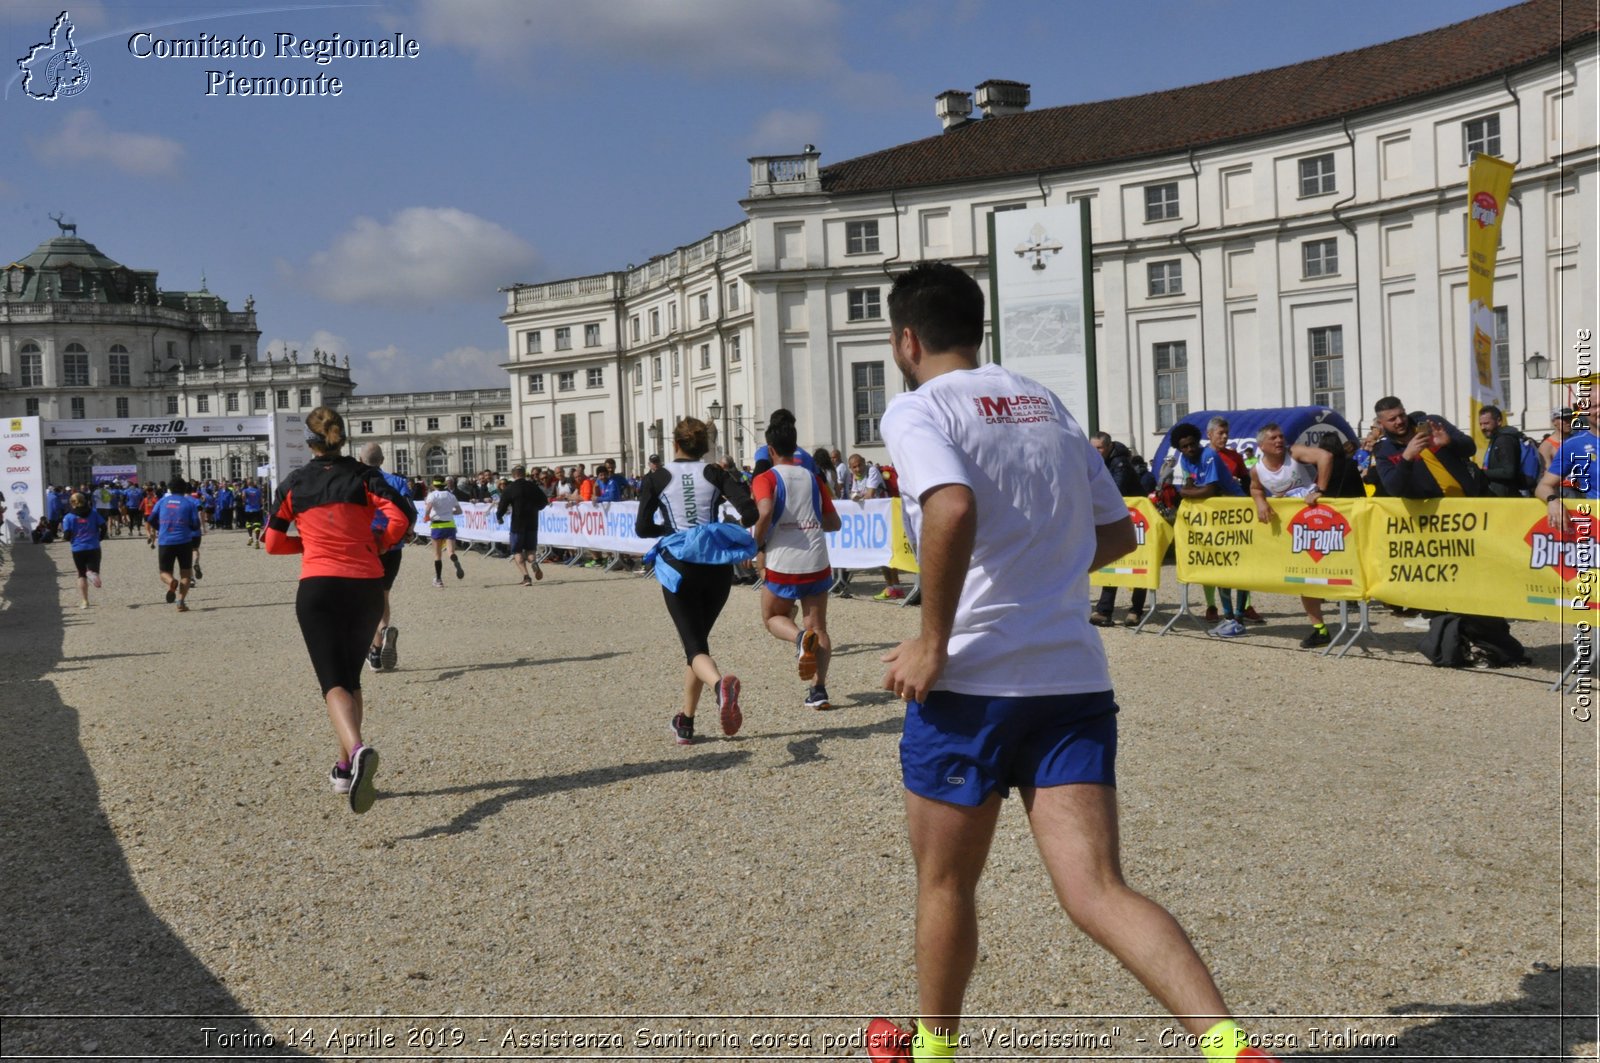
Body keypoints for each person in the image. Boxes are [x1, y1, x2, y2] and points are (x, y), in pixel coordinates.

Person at [868, 262, 1280, 1063]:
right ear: (977, 327)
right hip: (1072, 679)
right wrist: (1042, 573)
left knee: (946, 884)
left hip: (972, 689)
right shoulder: (1041, 401)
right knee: (1098, 890)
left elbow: (949, 505)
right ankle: (1232, 1048)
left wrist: (931, 639)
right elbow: (1121, 531)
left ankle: (933, 1054)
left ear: (906, 339)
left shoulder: (920, 407)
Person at [265, 407, 415, 813]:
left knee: (332, 681)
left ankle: (359, 748)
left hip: (319, 585)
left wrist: (309, 545)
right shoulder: (366, 477)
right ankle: (346, 766)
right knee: (351, 678)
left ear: (308, 442)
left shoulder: (295, 483)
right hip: (366, 582)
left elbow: (272, 542)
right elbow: (403, 516)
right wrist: (378, 542)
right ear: (342, 438)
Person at [635, 417, 758, 745]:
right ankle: (686, 722)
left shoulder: (656, 477)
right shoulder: (715, 472)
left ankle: (721, 688)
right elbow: (750, 510)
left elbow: (643, 528)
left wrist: (672, 530)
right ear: (704, 446)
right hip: (716, 565)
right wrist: (728, 525)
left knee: (694, 647)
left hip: (679, 565)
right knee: (698, 645)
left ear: (674, 443)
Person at [750, 412, 842, 711]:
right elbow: (833, 523)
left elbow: (764, 513)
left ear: (771, 450)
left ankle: (800, 639)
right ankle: (819, 691)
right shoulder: (813, 477)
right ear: (795, 446)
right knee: (819, 626)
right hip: (816, 557)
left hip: (783, 560)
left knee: (772, 618)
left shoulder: (766, 478)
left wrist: (756, 544)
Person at [1247, 423, 1335, 648]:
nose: (1279, 441)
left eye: (1281, 437)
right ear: (1261, 445)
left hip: (1320, 524)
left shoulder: (1293, 453)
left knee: (1335, 575)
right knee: (1305, 581)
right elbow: (1256, 488)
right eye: (1273, 438)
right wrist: (1260, 503)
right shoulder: (1257, 469)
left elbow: (1325, 457)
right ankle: (1320, 629)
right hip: (1295, 532)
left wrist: (1319, 490)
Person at [1170, 422, 1249, 637]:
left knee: (1239, 566)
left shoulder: (1208, 456)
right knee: (1220, 565)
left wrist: (1187, 493)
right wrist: (1189, 491)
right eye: (1184, 447)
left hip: (1235, 509)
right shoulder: (1185, 459)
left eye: (1191, 444)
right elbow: (1189, 484)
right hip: (1216, 514)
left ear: (1198, 441)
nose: (1189, 449)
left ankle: (1239, 617)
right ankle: (1228, 617)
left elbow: (1210, 489)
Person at [360, 443, 411, 671]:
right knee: (384, 595)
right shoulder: (398, 482)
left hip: (367, 544)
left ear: (360, 460)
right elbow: (410, 511)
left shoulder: (358, 482)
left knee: (367, 600)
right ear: (382, 461)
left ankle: (375, 650)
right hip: (393, 545)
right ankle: (383, 631)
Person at [1088, 432, 1148, 627]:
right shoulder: (1097, 462)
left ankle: (1135, 610)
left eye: (1099, 448)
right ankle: (1104, 610)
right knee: (1111, 563)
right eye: (1093, 448)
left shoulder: (1120, 463)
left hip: (1138, 518)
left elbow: (1114, 491)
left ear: (1109, 446)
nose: (1096, 452)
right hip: (1118, 518)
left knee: (1140, 564)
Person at [1368, 396, 1481, 498]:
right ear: (1381, 423)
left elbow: (1471, 449)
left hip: (1467, 503)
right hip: (1429, 515)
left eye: (1402, 415)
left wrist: (1450, 442)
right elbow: (1394, 490)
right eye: (1392, 419)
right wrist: (1406, 458)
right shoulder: (1383, 450)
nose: (1400, 421)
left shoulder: (1432, 423)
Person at [849, 452, 906, 600]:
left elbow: (869, 494)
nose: (857, 469)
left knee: (889, 551)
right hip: (874, 518)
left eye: (859, 465)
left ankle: (896, 586)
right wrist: (857, 496)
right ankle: (890, 587)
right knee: (882, 553)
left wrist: (857, 497)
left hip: (885, 516)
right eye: (854, 467)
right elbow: (853, 494)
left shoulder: (872, 471)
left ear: (863, 462)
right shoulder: (856, 477)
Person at [1534, 410, 1597, 535]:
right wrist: (1553, 499)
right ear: (1554, 422)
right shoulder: (1548, 445)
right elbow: (1545, 476)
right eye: (1564, 419)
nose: (1568, 422)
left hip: (1581, 490)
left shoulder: (1577, 440)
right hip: (1564, 491)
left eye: (1570, 419)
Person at [152, 478, 202, 612]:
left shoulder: (162, 501)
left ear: (169, 489)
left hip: (165, 541)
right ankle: (180, 601)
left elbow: (150, 519)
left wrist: (161, 527)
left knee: (164, 573)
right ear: (185, 489)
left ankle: (171, 582)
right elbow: (196, 524)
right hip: (184, 541)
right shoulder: (189, 503)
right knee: (186, 574)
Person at [496, 464, 550, 586]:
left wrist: (499, 516)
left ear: (513, 475)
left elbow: (502, 505)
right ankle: (534, 562)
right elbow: (544, 501)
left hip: (517, 523)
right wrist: (536, 508)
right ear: (524, 473)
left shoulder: (510, 488)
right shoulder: (533, 486)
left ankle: (526, 577)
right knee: (530, 549)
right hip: (532, 521)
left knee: (517, 550)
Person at [1477, 405, 1540, 498]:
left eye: (1486, 423)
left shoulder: (1504, 440)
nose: (1483, 427)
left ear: (1498, 421)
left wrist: (1481, 473)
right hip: (1504, 493)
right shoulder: (1498, 438)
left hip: (1506, 495)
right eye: (1481, 424)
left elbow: (1508, 472)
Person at [60, 492, 105, 609]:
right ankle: (92, 573)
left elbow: (67, 535)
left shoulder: (68, 517)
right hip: (93, 546)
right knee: (93, 570)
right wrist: (99, 538)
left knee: (81, 574)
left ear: (72, 503)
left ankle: (85, 601)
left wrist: (69, 539)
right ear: (84, 501)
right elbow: (103, 526)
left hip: (77, 548)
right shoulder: (93, 513)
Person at [423, 476, 465, 586]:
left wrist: (426, 516)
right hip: (450, 525)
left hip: (437, 526)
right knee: (451, 551)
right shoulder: (451, 495)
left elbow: (428, 508)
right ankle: (454, 560)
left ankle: (438, 579)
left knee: (437, 555)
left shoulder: (432, 495)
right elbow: (459, 511)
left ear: (433, 485)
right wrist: (450, 513)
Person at [241, 479, 265, 548]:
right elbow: (261, 500)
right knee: (257, 525)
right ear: (253, 484)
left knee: (248, 524)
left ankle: (250, 537)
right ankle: (257, 541)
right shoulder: (258, 491)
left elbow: (243, 497)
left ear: (247, 484)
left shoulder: (245, 490)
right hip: (256, 509)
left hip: (248, 509)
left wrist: (244, 501)